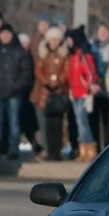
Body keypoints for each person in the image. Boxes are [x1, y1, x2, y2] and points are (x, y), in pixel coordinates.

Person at [0, 23, 32, 159]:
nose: (5, 36)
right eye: (3, 34)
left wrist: (17, 87)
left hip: (14, 93)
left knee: (14, 123)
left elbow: (26, 73)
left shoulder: (19, 51)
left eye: (8, 34)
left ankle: (13, 149)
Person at [32, 26, 69, 160]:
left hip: (59, 93)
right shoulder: (42, 55)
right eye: (51, 39)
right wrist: (46, 81)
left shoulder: (64, 55)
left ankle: (57, 151)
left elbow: (66, 70)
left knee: (58, 125)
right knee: (45, 124)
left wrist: (58, 81)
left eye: (56, 39)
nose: (53, 42)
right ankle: (46, 150)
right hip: (44, 93)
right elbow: (38, 71)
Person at [66, 25, 101, 162]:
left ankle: (89, 149)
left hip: (84, 93)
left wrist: (88, 87)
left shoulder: (84, 56)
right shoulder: (73, 55)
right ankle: (83, 150)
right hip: (75, 93)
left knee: (83, 123)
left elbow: (91, 74)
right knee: (79, 122)